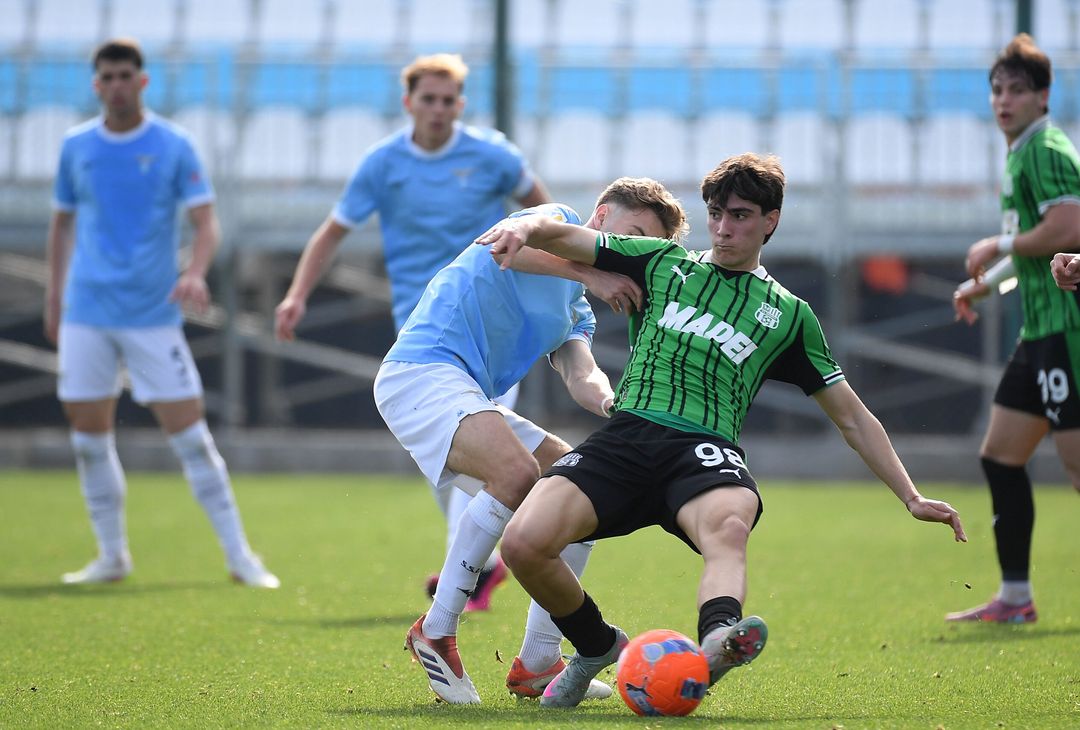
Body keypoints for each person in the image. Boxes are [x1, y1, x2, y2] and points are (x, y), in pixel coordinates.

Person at [477, 153, 967, 709]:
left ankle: (716, 642)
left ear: (770, 221)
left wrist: (910, 495)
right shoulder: (661, 263)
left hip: (704, 451)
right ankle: (594, 646)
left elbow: (852, 415)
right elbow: (561, 236)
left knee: (729, 527)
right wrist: (523, 224)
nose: (724, 227)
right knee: (522, 544)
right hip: (629, 435)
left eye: (739, 215)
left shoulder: (789, 315)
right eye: (716, 214)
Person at [375, 178, 689, 704]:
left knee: (580, 489)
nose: (629, 253)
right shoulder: (552, 219)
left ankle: (539, 662)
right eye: (630, 235)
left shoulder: (577, 307)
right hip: (420, 373)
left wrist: (615, 404)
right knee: (518, 474)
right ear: (601, 216)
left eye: (643, 247)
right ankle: (437, 628)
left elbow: (580, 374)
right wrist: (589, 272)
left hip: (467, 391)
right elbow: (505, 245)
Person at [274, 52, 552, 608]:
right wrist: (297, 293)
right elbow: (331, 232)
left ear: (461, 105)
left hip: (492, 327)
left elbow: (548, 217)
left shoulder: (493, 155)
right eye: (428, 99)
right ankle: (493, 556)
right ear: (408, 103)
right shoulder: (383, 164)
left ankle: (466, 580)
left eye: (449, 100)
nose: (439, 109)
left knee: (485, 450)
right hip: (421, 334)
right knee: (450, 462)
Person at [44, 39, 279, 588]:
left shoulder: (174, 144)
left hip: (151, 314)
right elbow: (60, 224)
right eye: (107, 77)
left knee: (192, 437)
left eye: (126, 75)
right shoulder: (76, 146)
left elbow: (206, 222)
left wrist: (194, 272)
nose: (117, 85)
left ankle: (240, 556)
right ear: (96, 84)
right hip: (86, 311)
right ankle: (111, 555)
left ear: (142, 82)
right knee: (86, 437)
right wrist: (55, 298)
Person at [948, 34, 1080, 625]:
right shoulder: (1021, 153)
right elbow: (1037, 248)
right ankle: (1016, 596)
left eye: (1018, 90)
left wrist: (995, 244)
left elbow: (1068, 228)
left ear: (1043, 97)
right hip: (1041, 331)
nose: (1004, 100)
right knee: (1001, 455)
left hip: (1068, 328)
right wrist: (991, 280)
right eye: (997, 90)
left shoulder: (1047, 147)